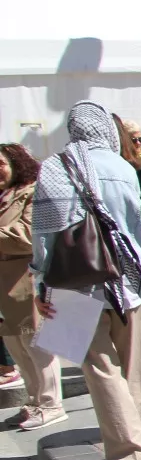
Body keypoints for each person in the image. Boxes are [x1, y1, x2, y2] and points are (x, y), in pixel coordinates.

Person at [33, 101, 141, 460]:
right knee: (134, 366)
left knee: (101, 367)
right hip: (128, 280)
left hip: (79, 282)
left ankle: (127, 454)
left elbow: (45, 233)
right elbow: (135, 227)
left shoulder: (56, 168)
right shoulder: (122, 166)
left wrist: (41, 281)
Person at [0, 143, 65, 430]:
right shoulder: (5, 195)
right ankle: (34, 400)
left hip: (24, 278)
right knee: (16, 346)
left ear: (16, 163)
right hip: (5, 282)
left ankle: (52, 404)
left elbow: (28, 234)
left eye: (1, 163)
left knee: (36, 343)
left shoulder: (32, 192)